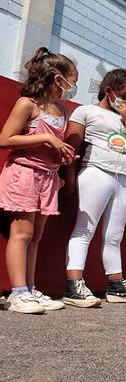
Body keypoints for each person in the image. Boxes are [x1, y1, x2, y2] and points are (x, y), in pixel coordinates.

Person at [0, 47, 78, 314]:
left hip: (48, 177)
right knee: (21, 234)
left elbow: (54, 145)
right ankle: (18, 293)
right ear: (58, 79)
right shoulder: (27, 104)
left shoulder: (62, 110)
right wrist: (46, 138)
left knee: (36, 237)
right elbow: (5, 139)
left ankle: (31, 289)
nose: (73, 87)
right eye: (72, 80)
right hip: (24, 174)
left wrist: (62, 155)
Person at [62, 69, 126, 307]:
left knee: (114, 235)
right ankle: (74, 285)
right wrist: (69, 178)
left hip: (124, 179)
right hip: (95, 172)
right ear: (108, 91)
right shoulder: (85, 111)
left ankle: (116, 285)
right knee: (84, 229)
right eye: (124, 95)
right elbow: (72, 147)